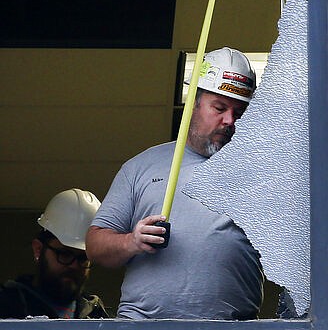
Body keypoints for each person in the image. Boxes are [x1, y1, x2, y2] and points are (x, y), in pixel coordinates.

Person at [86, 47, 264, 320]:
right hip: (143, 325)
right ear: (193, 101)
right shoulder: (141, 167)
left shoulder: (261, 174)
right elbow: (95, 246)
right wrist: (132, 241)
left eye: (239, 112)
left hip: (231, 327)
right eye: (219, 107)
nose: (229, 120)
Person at [0, 188, 112, 319]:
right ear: (38, 249)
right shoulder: (7, 305)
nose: (74, 266)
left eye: (83, 258)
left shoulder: (96, 315)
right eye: (64, 254)